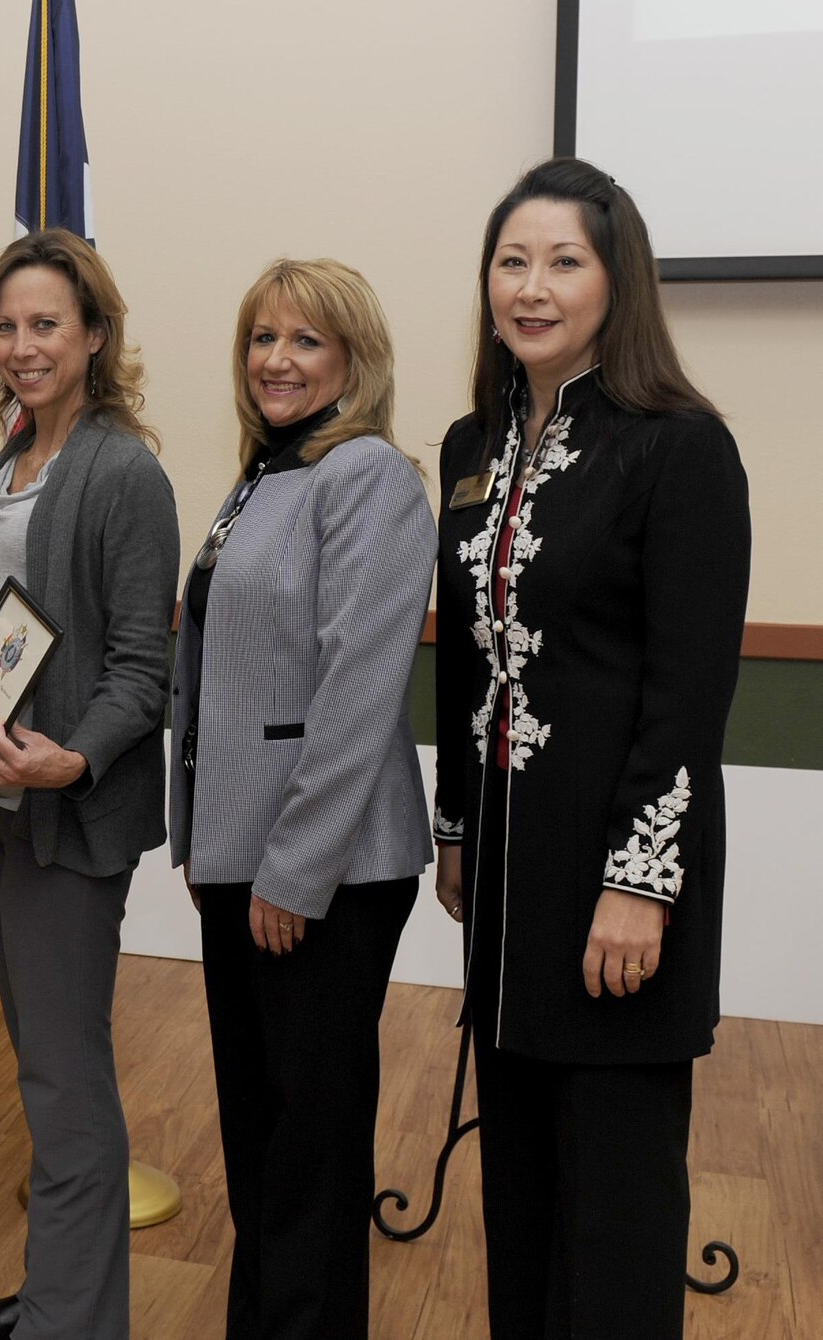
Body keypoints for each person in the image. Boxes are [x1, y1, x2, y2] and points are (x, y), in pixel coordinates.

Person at [432, 158, 750, 1338]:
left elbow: (685, 696)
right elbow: (462, 661)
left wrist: (638, 882)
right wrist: (453, 831)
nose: (530, 285)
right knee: (518, 1203)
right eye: (510, 260)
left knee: (612, 1215)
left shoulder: (678, 447)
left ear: (618, 282)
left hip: (616, 889)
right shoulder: (476, 439)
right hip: (508, 895)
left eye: (562, 260)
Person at [0, 229, 176, 1340]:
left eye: (44, 325)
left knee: (66, 1081)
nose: (21, 345)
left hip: (66, 812)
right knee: (42, 1072)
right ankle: (60, 1295)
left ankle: (71, 1322)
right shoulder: (13, 455)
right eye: (5, 328)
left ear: (93, 335)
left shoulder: (120, 470)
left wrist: (73, 755)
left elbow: (137, 668)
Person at [171, 258, 435, 1338]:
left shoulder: (366, 474)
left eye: (302, 341)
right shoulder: (262, 476)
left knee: (308, 1146)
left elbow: (355, 691)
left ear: (352, 361)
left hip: (322, 869)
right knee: (259, 1133)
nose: (274, 360)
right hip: (239, 854)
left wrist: (288, 870)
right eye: (259, 339)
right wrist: (207, 846)